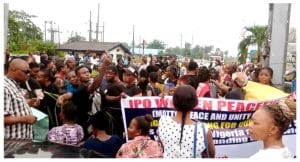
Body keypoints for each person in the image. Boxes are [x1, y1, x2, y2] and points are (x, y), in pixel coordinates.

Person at [158, 85, 215, 158]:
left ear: (173, 102)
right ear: (195, 104)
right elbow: (211, 154)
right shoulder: (204, 130)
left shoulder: (163, 122)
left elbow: (162, 144)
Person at [4, 58, 38, 140]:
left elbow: (11, 104)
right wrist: (25, 119)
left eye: (29, 72)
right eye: (26, 72)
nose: (29, 74)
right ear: (13, 70)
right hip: (11, 144)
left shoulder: (14, 84)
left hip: (21, 142)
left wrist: (28, 102)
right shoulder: (4, 88)